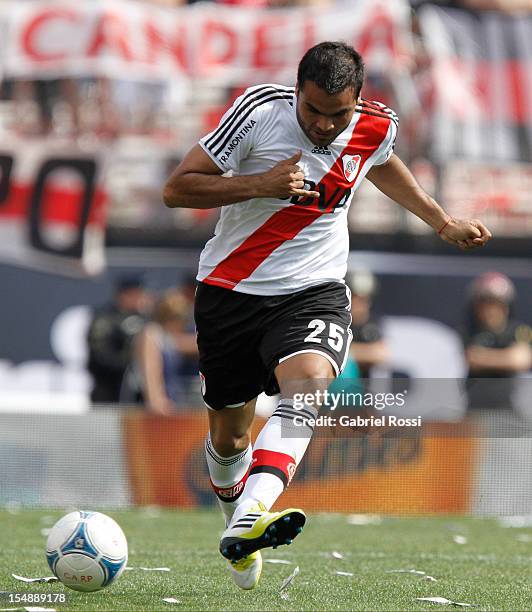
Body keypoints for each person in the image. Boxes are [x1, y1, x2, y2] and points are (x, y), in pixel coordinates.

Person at [162, 41, 491, 589]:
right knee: (229, 440)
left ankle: (251, 514)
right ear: (297, 91)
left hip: (313, 289)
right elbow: (177, 189)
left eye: (337, 114)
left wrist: (441, 220)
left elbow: (381, 163)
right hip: (231, 291)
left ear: (357, 100)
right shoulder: (259, 112)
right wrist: (260, 185)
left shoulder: (374, 125)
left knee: (311, 385)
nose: (322, 124)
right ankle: (237, 530)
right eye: (312, 110)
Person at [121, 289, 199, 413]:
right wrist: (156, 399)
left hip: (170, 403)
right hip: (150, 409)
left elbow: (192, 344)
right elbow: (150, 370)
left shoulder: (167, 338)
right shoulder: (151, 335)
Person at [463, 272, 532, 410]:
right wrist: (505, 357)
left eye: (497, 304)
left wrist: (484, 357)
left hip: (509, 410)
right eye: (485, 303)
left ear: (506, 306)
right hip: (474, 409)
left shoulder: (519, 330)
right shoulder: (466, 331)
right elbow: (469, 358)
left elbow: (521, 360)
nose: (491, 310)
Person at [87, 275, 151, 404]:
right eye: (135, 294)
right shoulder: (105, 318)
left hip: (137, 390)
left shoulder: (145, 318)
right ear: (124, 295)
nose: (140, 298)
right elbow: (99, 354)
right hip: (109, 388)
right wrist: (127, 364)